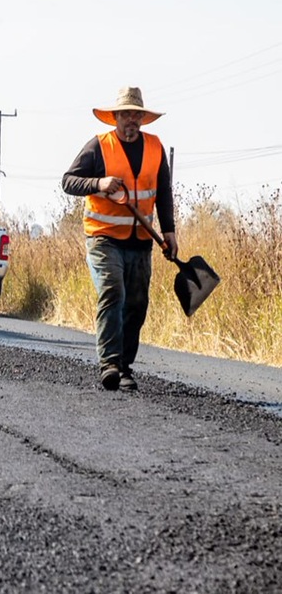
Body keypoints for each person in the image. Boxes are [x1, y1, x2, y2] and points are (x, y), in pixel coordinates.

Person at [62, 86, 178, 392]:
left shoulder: (155, 147)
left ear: (142, 118)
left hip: (141, 239)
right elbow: (68, 181)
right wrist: (98, 183)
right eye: (126, 114)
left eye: (136, 114)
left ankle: (125, 366)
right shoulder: (98, 146)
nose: (132, 120)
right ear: (115, 118)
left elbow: (164, 193)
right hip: (104, 237)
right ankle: (109, 364)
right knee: (113, 291)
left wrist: (169, 232)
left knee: (137, 303)